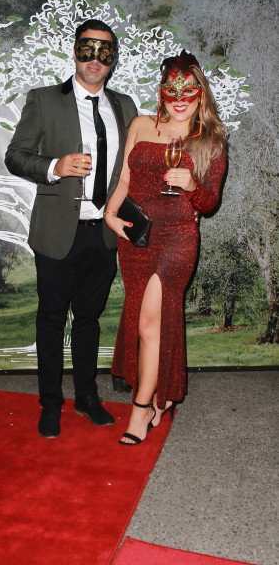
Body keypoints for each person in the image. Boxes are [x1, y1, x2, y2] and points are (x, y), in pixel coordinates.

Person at [5, 19, 137, 438]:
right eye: (87, 48)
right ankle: (50, 403)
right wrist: (54, 167)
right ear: (75, 50)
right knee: (51, 319)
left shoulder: (126, 107)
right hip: (57, 231)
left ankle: (86, 397)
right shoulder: (44, 100)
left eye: (104, 51)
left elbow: (134, 167)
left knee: (89, 320)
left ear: (113, 59)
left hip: (103, 232)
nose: (95, 59)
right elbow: (15, 156)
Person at [104, 50, 227, 445]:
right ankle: (162, 397)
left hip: (177, 236)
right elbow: (124, 179)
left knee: (149, 322)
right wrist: (110, 214)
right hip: (136, 236)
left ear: (200, 94)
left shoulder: (210, 141)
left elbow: (209, 203)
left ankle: (141, 409)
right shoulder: (141, 125)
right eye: (171, 91)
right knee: (145, 322)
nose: (179, 99)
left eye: (188, 91)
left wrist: (191, 185)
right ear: (161, 92)